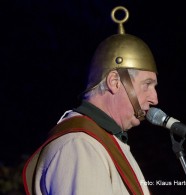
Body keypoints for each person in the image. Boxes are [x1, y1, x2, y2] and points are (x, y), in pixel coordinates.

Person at [23, 6, 157, 195]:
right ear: (115, 82)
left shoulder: (98, 142)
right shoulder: (79, 146)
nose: (154, 98)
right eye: (147, 84)